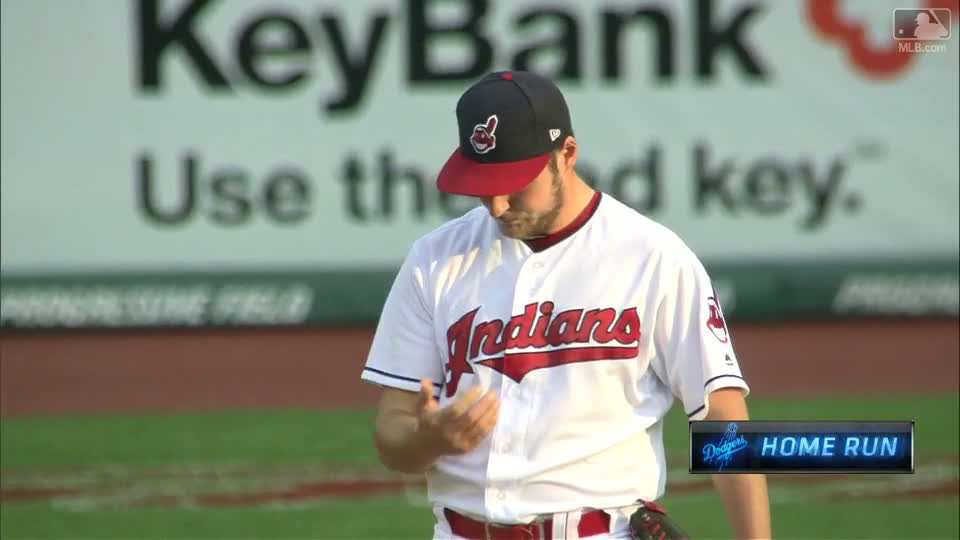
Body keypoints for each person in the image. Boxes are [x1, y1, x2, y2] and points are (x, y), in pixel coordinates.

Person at [360, 70, 771, 539]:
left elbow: (720, 416)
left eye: (514, 182)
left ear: (567, 155)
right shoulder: (435, 259)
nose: (496, 205)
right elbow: (392, 432)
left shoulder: (652, 256)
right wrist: (426, 440)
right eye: (483, 183)